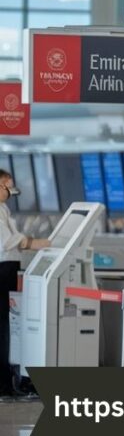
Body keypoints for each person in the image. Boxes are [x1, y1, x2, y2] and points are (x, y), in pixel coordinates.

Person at [0, 170, 50, 397]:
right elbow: (8, 241)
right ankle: (4, 383)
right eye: (6, 185)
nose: (10, 190)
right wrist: (39, 243)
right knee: (2, 328)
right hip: (2, 270)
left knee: (6, 327)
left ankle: (10, 379)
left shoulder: (4, 209)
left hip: (7, 270)